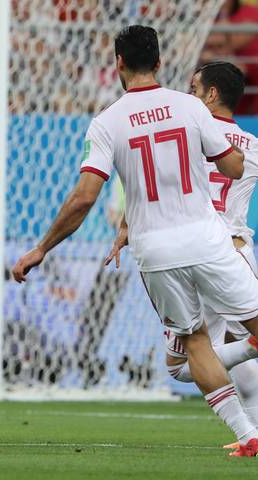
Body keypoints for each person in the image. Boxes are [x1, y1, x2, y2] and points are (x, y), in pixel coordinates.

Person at [12, 25, 258, 457]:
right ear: (161, 62)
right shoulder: (190, 107)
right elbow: (233, 167)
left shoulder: (107, 121)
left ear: (118, 63)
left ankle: (246, 434)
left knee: (193, 344)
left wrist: (42, 247)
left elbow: (84, 197)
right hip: (209, 238)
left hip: (156, 252)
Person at [152, 61, 258, 449]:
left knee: (183, 366)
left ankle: (251, 432)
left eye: (194, 89)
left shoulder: (181, 139)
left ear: (212, 95)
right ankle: (253, 432)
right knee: (192, 364)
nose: (189, 95)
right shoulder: (251, 146)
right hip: (232, 253)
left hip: (189, 255)